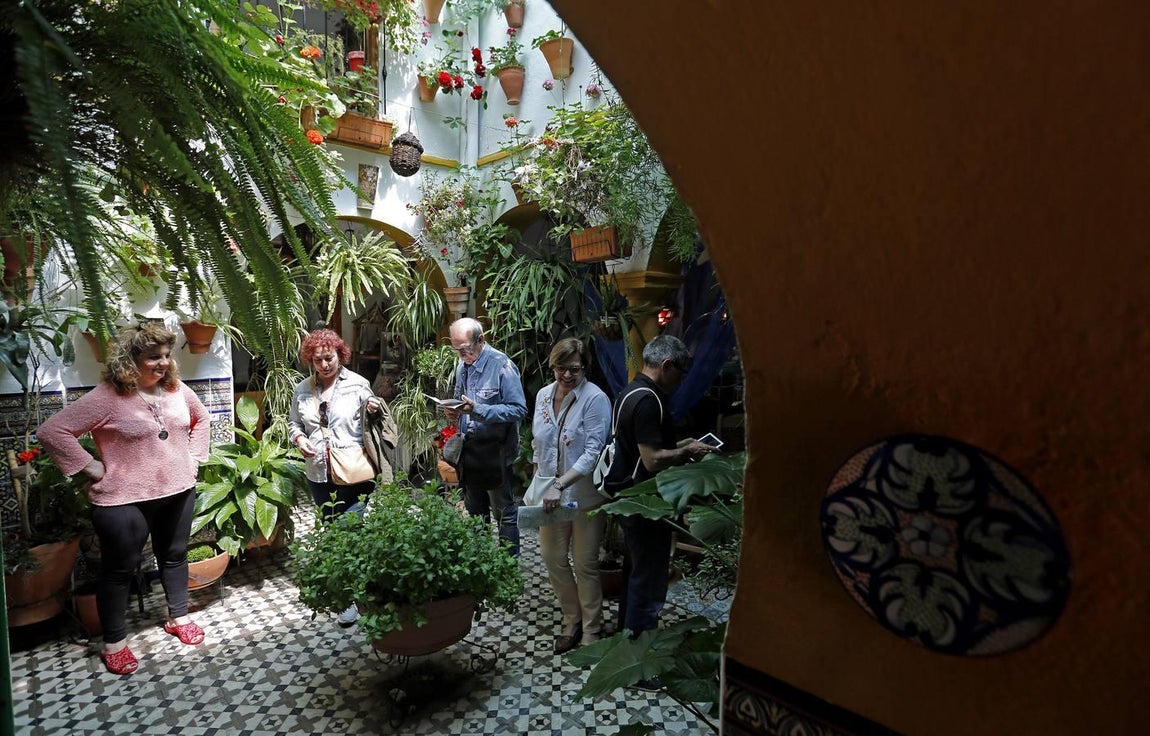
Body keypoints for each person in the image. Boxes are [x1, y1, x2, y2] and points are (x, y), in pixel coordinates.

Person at [38, 323, 211, 675]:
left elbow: (202, 418)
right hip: (123, 499)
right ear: (130, 360)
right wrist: (90, 467)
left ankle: (178, 617)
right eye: (153, 357)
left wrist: (194, 458)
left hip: (178, 491)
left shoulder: (176, 389)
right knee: (118, 570)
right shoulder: (107, 396)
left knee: (174, 556)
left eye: (166, 355)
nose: (163, 363)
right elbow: (53, 431)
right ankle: (114, 642)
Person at [603, 335, 714, 685]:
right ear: (666, 366)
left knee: (635, 575)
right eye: (681, 372)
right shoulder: (650, 402)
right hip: (645, 505)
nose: (681, 379)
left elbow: (641, 448)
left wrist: (680, 444)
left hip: (628, 498)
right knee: (649, 582)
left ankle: (626, 646)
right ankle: (640, 667)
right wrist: (686, 452)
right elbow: (651, 460)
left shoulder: (630, 392)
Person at [288, 328, 387, 626]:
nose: (324, 364)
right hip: (319, 471)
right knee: (332, 531)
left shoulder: (357, 384)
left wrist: (374, 410)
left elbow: (376, 422)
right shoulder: (302, 389)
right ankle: (348, 595)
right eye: (317, 360)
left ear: (340, 355)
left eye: (329, 358)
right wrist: (299, 439)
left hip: (355, 470)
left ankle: (358, 594)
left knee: (348, 530)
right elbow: (294, 423)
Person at [531, 338, 612, 653]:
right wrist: (539, 480)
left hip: (583, 496)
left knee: (584, 563)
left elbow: (593, 452)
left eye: (574, 369)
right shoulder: (543, 395)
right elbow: (539, 443)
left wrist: (560, 484)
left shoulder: (595, 399)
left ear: (584, 367)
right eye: (561, 368)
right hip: (549, 496)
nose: (567, 375)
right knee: (553, 558)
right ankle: (572, 618)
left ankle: (592, 627)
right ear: (552, 366)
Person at [442, 317, 527, 556]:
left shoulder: (502, 366)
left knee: (504, 514)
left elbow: (519, 409)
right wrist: (453, 411)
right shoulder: (462, 366)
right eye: (456, 350)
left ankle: (508, 568)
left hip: (496, 454)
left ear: (481, 340)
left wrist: (478, 410)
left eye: (464, 349)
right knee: (475, 514)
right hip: (471, 453)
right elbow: (460, 402)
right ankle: (482, 565)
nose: (461, 355)